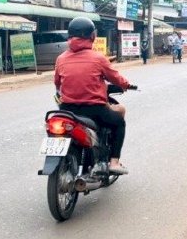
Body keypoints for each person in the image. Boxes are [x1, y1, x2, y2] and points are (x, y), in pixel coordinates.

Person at [54, 17, 131, 175]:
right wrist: (126, 84)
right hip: (94, 109)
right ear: (92, 36)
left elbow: (57, 83)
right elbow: (115, 77)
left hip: (67, 110)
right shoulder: (98, 58)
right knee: (118, 123)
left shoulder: (60, 59)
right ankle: (114, 162)